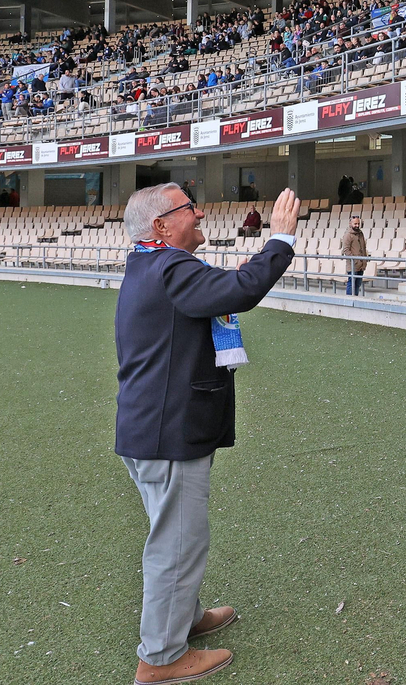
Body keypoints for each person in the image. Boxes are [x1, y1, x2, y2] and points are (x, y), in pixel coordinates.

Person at [114, 184, 300, 685]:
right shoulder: (170, 266)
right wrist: (279, 239)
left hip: (156, 427)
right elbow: (238, 289)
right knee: (177, 543)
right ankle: (160, 659)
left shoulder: (149, 264)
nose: (199, 214)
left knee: (175, 535)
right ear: (160, 226)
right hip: (168, 430)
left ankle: (183, 619)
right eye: (187, 209)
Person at [340, 215, 369, 296]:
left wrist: (364, 260)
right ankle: (349, 300)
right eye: (355, 223)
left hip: (361, 264)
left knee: (357, 284)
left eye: (358, 223)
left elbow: (363, 247)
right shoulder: (348, 235)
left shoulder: (360, 233)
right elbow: (346, 250)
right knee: (351, 284)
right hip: (353, 264)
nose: (357, 225)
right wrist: (355, 260)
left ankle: (355, 298)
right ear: (350, 223)